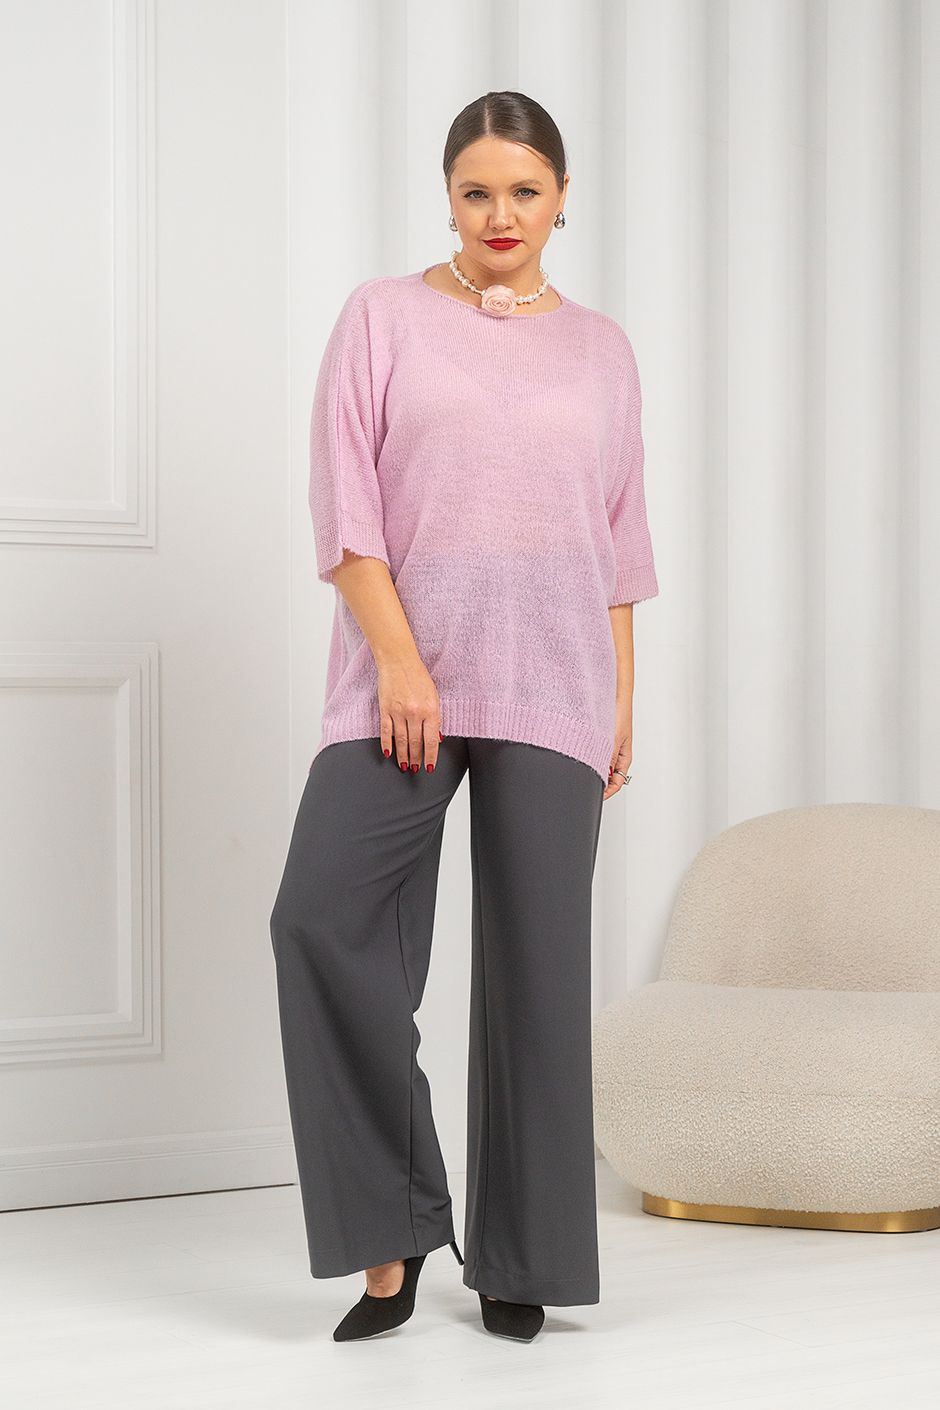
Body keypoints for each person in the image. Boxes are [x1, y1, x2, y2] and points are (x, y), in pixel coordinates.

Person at [269, 89, 659, 1344]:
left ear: (562, 199)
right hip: (405, 682)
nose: (501, 214)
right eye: (478, 190)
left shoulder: (602, 349)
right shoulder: (381, 317)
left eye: (525, 191)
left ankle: (520, 1257)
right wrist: (398, 662)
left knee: (538, 978)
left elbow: (617, 541)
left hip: (557, 682)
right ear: (447, 196)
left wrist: (620, 700)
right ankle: (390, 1224)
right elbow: (345, 508)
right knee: (319, 919)